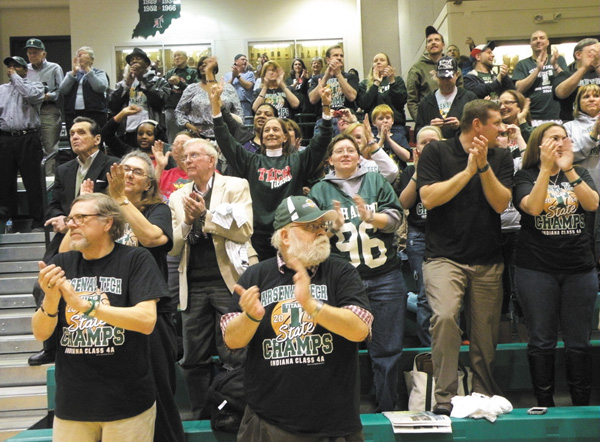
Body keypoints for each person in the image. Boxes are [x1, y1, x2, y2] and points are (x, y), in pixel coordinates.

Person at [221, 195, 372, 441]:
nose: (322, 232)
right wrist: (250, 317)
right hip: (268, 421)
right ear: (285, 236)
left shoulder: (341, 271)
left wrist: (312, 306)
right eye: (311, 227)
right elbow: (232, 340)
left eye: (323, 226)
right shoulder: (255, 275)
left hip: (335, 424)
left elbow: (360, 330)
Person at [31, 192, 166, 442]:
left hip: (127, 402)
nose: (72, 224)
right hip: (73, 403)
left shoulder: (135, 259)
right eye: (70, 219)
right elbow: (40, 332)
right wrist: (50, 299)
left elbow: (146, 321)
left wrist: (86, 306)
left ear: (107, 223)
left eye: (81, 217)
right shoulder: (62, 262)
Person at [417, 99, 514, 415]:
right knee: (445, 317)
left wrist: (483, 167)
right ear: (477, 125)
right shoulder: (437, 152)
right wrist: (468, 171)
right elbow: (429, 199)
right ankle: (444, 397)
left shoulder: (500, 157)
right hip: (443, 258)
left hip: (487, 259)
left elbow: (501, 204)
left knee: (484, 334)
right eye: (497, 122)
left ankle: (482, 396)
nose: (503, 128)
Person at [309, 135, 405, 412]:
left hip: (384, 275)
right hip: (341, 282)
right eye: (339, 150)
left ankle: (387, 408)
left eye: (351, 149)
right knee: (336, 349)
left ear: (360, 157)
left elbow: (396, 219)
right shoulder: (319, 191)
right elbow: (312, 235)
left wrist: (372, 218)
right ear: (330, 160)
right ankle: (339, 410)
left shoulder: (376, 181)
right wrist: (331, 225)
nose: (346, 154)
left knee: (387, 349)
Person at [513, 123, 599, 407]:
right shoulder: (524, 175)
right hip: (536, 268)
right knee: (541, 340)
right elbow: (534, 207)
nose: (562, 142)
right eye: (554, 138)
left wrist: (570, 170)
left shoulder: (580, 172)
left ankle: (582, 405)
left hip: (579, 268)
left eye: (565, 138)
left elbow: (592, 204)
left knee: (579, 342)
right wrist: (545, 170)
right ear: (540, 144)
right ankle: (544, 404)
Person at [169, 138, 253, 419]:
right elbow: (173, 246)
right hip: (191, 284)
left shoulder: (235, 185)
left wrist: (205, 215)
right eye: (184, 156)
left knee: (236, 352)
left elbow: (244, 231)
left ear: (212, 160)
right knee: (193, 358)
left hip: (228, 279)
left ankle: (238, 411)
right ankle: (201, 415)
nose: (188, 160)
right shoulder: (177, 196)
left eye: (194, 155)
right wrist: (188, 222)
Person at [28, 117, 119, 366]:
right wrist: (59, 217)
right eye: (71, 134)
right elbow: (54, 204)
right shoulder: (64, 169)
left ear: (97, 139)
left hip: (100, 236)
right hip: (67, 236)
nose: (74, 137)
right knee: (43, 286)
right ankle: (51, 347)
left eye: (81, 132)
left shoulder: (112, 165)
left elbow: (116, 202)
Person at [211, 80, 333, 261]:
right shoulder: (252, 161)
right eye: (267, 130)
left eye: (276, 129)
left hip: (292, 232)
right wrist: (215, 105)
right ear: (262, 135)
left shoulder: (297, 160)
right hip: (258, 236)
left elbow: (321, 140)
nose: (271, 133)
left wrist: (326, 106)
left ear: (285, 137)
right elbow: (225, 140)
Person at [398, 125, 443, 347]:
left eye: (433, 141)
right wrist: (417, 172)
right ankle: (429, 348)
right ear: (417, 148)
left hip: (446, 235)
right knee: (425, 296)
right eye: (423, 142)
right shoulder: (409, 172)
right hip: (419, 236)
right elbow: (403, 204)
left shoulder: (450, 167)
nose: (428, 145)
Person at [0, 55, 45, 232]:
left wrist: (17, 78)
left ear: (25, 70)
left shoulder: (35, 86)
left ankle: (38, 221)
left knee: (33, 182)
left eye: (16, 66)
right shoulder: (2, 89)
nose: (11, 69)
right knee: (4, 182)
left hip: (28, 138)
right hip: (6, 139)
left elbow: (32, 96)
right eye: (9, 66)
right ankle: (6, 220)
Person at [108, 47, 170, 146]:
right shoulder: (123, 83)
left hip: (151, 132)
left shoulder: (159, 81)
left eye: (138, 58)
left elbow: (161, 102)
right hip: (128, 132)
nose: (134, 61)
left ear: (146, 64)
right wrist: (127, 85)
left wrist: (143, 81)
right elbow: (113, 105)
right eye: (132, 60)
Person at [406, 26, 464, 122]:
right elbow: (412, 101)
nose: (433, 42)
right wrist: (422, 122)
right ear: (426, 47)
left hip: (452, 119)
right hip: (428, 119)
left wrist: (459, 120)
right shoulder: (417, 69)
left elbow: (461, 95)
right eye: (430, 41)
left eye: (437, 40)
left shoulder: (454, 68)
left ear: (443, 45)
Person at [176, 56, 241, 139]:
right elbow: (179, 112)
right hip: (199, 137)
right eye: (201, 64)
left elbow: (238, 112)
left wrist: (235, 132)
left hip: (226, 136)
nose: (204, 66)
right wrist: (192, 128)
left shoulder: (228, 88)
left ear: (215, 68)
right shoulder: (191, 89)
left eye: (207, 64)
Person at [415, 56, 477, 140]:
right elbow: (417, 132)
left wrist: (460, 125)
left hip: (460, 148)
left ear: (457, 74)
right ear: (436, 75)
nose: (445, 81)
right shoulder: (426, 101)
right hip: (434, 149)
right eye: (442, 78)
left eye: (448, 77)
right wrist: (429, 128)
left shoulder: (469, 98)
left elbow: (478, 127)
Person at [512, 30, 567, 124]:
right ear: (530, 43)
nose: (538, 41)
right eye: (534, 39)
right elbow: (519, 89)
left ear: (547, 42)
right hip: (533, 116)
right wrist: (537, 69)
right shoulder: (522, 64)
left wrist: (555, 65)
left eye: (542, 38)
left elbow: (567, 83)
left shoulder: (559, 60)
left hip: (557, 115)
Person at [358, 53, 410, 149]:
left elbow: (401, 101)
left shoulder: (397, 80)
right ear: (372, 65)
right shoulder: (364, 84)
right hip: (373, 127)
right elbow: (364, 104)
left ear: (388, 64)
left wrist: (392, 82)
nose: (378, 62)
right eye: (375, 61)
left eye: (382, 60)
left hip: (395, 126)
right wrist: (376, 83)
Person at [25, 38, 64, 162]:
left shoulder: (54, 68)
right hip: (29, 111)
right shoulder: (25, 69)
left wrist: (49, 96)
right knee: (31, 147)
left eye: (35, 52)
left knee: (50, 148)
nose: (31, 55)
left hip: (49, 109)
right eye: (29, 53)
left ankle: (49, 179)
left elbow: (62, 90)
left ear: (44, 54)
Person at [308, 45, 359, 124]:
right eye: (335, 55)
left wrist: (338, 74)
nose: (339, 58)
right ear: (328, 60)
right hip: (324, 119)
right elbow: (312, 100)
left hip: (346, 119)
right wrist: (326, 77)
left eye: (341, 56)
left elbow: (352, 97)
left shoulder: (351, 77)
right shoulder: (317, 78)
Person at [554, 38, 600, 122]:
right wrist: (583, 68)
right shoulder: (565, 75)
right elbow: (560, 93)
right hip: (572, 125)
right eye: (592, 52)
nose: (596, 56)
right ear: (578, 55)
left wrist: (597, 64)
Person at [565, 84, 600, 190]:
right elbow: (568, 156)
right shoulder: (568, 126)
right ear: (578, 103)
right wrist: (593, 135)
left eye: (596, 95)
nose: (591, 99)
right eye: (586, 97)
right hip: (582, 187)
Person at [164, 50, 198, 142]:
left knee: (189, 138)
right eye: (174, 56)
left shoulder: (193, 73)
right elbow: (163, 91)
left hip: (188, 110)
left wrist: (180, 83)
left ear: (186, 58)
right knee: (173, 138)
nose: (176, 58)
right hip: (172, 109)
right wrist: (169, 84)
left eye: (179, 55)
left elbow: (195, 90)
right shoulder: (169, 73)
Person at [154, 131, 192, 200]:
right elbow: (148, 193)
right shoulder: (163, 174)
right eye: (175, 144)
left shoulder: (205, 172)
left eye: (183, 144)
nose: (179, 147)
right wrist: (159, 167)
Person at [223, 54, 255, 119]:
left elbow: (248, 86)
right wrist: (233, 77)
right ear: (236, 61)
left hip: (246, 106)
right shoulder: (228, 75)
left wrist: (238, 76)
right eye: (243, 59)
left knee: (246, 126)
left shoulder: (249, 74)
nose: (245, 61)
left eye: (246, 60)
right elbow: (225, 88)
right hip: (232, 106)